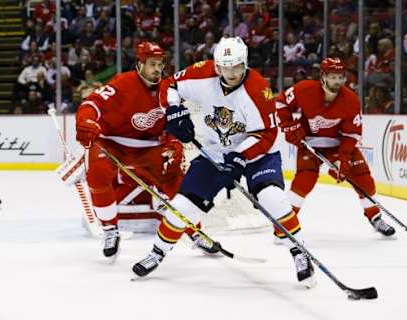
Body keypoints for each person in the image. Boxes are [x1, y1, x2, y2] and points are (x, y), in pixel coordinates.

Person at [132, 37, 314, 287]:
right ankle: (157, 252)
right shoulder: (201, 73)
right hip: (215, 153)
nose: (231, 73)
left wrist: (239, 157)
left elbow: (267, 133)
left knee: (272, 198)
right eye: (225, 67)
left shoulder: (258, 90)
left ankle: (299, 251)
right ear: (217, 65)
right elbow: (170, 84)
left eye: (237, 66)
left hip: (258, 154)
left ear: (245, 63)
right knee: (182, 207)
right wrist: (174, 110)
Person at [75, 42, 185, 260]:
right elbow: (92, 104)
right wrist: (86, 121)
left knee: (176, 179)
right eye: (152, 64)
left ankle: (195, 230)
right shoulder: (122, 84)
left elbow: (176, 121)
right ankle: (110, 230)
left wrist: (174, 142)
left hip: (149, 146)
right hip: (111, 142)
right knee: (97, 174)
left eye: (160, 65)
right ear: (139, 64)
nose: (157, 69)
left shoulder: (168, 90)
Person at [275, 57, 395, 237]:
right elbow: (280, 102)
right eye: (333, 77)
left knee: (363, 177)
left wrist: (343, 158)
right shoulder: (304, 89)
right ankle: (284, 225)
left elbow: (352, 134)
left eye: (340, 77)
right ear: (323, 77)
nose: (337, 81)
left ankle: (375, 217)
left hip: (338, 145)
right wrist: (289, 126)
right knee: (303, 181)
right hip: (309, 144)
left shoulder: (350, 100)